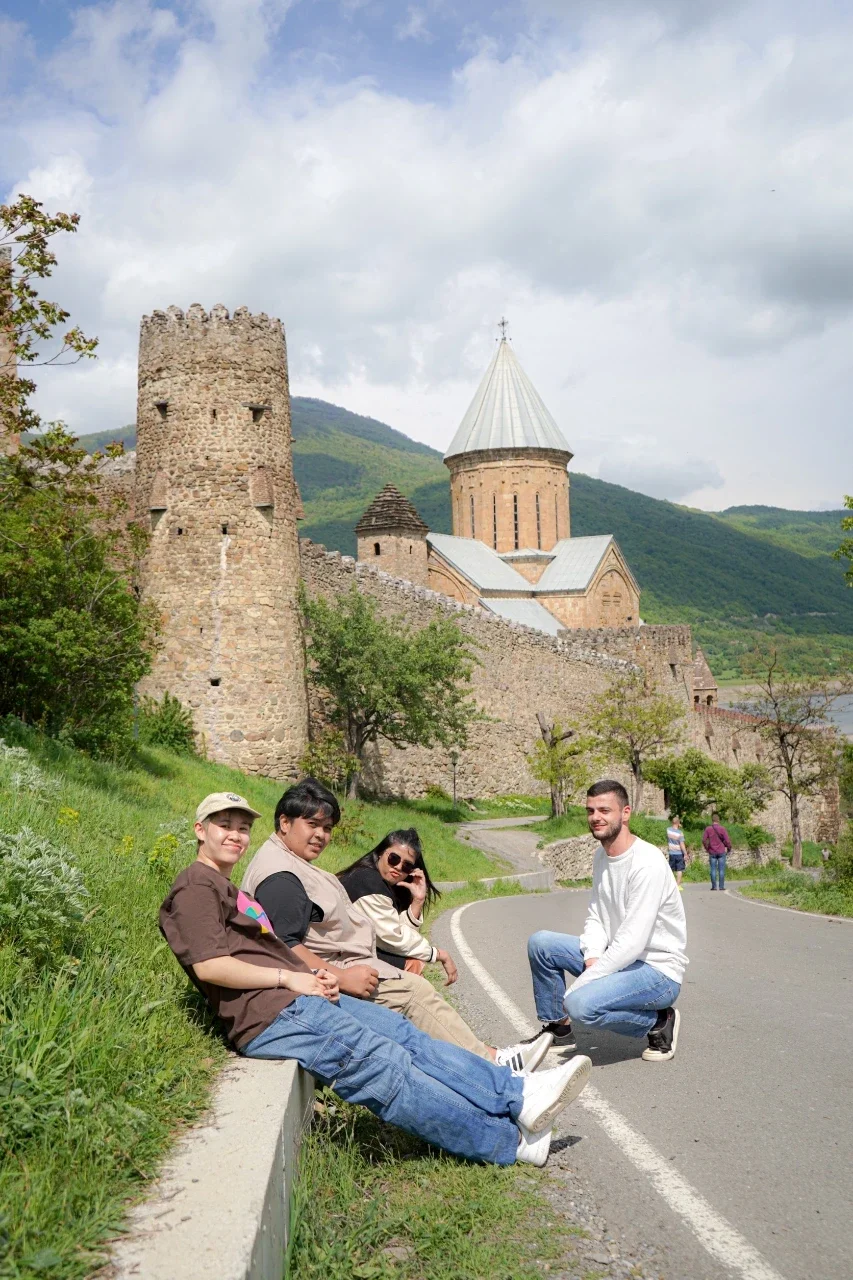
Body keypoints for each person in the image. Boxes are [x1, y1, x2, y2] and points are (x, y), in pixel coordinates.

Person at [159, 791, 592, 1168]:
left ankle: (517, 1095)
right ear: (201, 829)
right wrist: (290, 980)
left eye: (240, 827)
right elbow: (209, 966)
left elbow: (265, 949)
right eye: (223, 826)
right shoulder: (195, 886)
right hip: (271, 1016)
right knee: (386, 1069)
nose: (234, 835)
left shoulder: (225, 886)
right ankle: (506, 1141)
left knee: (407, 1038)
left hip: (299, 1000)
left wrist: (314, 977)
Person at [241, 779, 552, 1076]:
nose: (321, 835)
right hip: (333, 975)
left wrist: (415, 908)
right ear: (284, 823)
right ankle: (494, 1066)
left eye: (327, 828)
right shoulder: (284, 876)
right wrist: (345, 978)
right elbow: (286, 945)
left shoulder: (291, 862)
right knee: (414, 993)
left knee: (415, 989)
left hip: (346, 964)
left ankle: (490, 1060)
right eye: (312, 825)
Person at [524, 780, 688, 1063]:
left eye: (604, 810)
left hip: (657, 972)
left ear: (625, 813)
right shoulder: (602, 855)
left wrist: (585, 981)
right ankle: (560, 1031)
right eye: (590, 810)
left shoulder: (646, 863)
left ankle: (659, 1022)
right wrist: (593, 955)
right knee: (541, 944)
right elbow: (598, 915)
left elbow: (634, 941)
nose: (595, 817)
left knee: (579, 1004)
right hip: (621, 958)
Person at [338, 828, 456, 981]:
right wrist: (439, 954)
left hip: (347, 950)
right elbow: (394, 939)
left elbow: (394, 929)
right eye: (394, 858)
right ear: (381, 853)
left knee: (413, 964)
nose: (399, 867)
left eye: (407, 866)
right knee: (413, 965)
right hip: (337, 956)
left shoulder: (378, 882)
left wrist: (418, 901)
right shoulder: (368, 883)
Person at [702, 811, 732, 891]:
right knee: (721, 869)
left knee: (713, 869)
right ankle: (721, 886)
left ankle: (714, 886)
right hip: (721, 851)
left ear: (712, 820)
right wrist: (729, 848)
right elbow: (728, 841)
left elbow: (704, 840)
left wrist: (707, 848)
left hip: (712, 851)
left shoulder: (708, 829)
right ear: (718, 820)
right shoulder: (722, 829)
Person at [665, 815, 688, 890]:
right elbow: (682, 844)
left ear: (672, 822)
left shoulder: (668, 830)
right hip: (679, 853)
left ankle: (669, 884)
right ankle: (677, 885)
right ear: (678, 823)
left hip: (671, 853)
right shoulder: (680, 833)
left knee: (671, 869)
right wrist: (685, 853)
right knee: (679, 869)